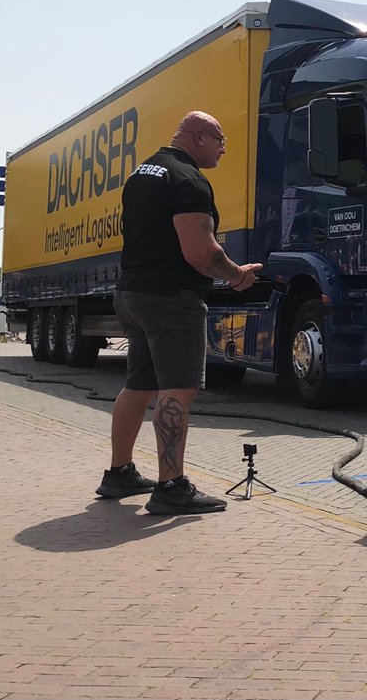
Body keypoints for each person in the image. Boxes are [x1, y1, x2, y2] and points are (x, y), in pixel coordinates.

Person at [96, 111, 263, 514]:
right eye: (220, 140)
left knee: (139, 384)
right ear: (199, 136)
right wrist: (236, 276)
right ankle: (171, 486)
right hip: (172, 298)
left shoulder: (143, 173)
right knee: (179, 388)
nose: (223, 149)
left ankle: (119, 472)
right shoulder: (188, 180)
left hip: (133, 293)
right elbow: (200, 251)